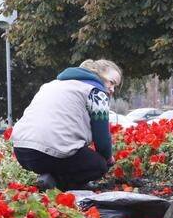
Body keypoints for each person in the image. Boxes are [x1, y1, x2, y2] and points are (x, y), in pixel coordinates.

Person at [11, 59, 121, 191]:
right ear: (98, 74)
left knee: (71, 158)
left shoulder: (52, 84)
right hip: (51, 152)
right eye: (111, 82)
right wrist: (108, 158)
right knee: (98, 165)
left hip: (22, 151)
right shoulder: (96, 92)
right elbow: (102, 139)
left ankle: (51, 179)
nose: (112, 89)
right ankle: (56, 182)